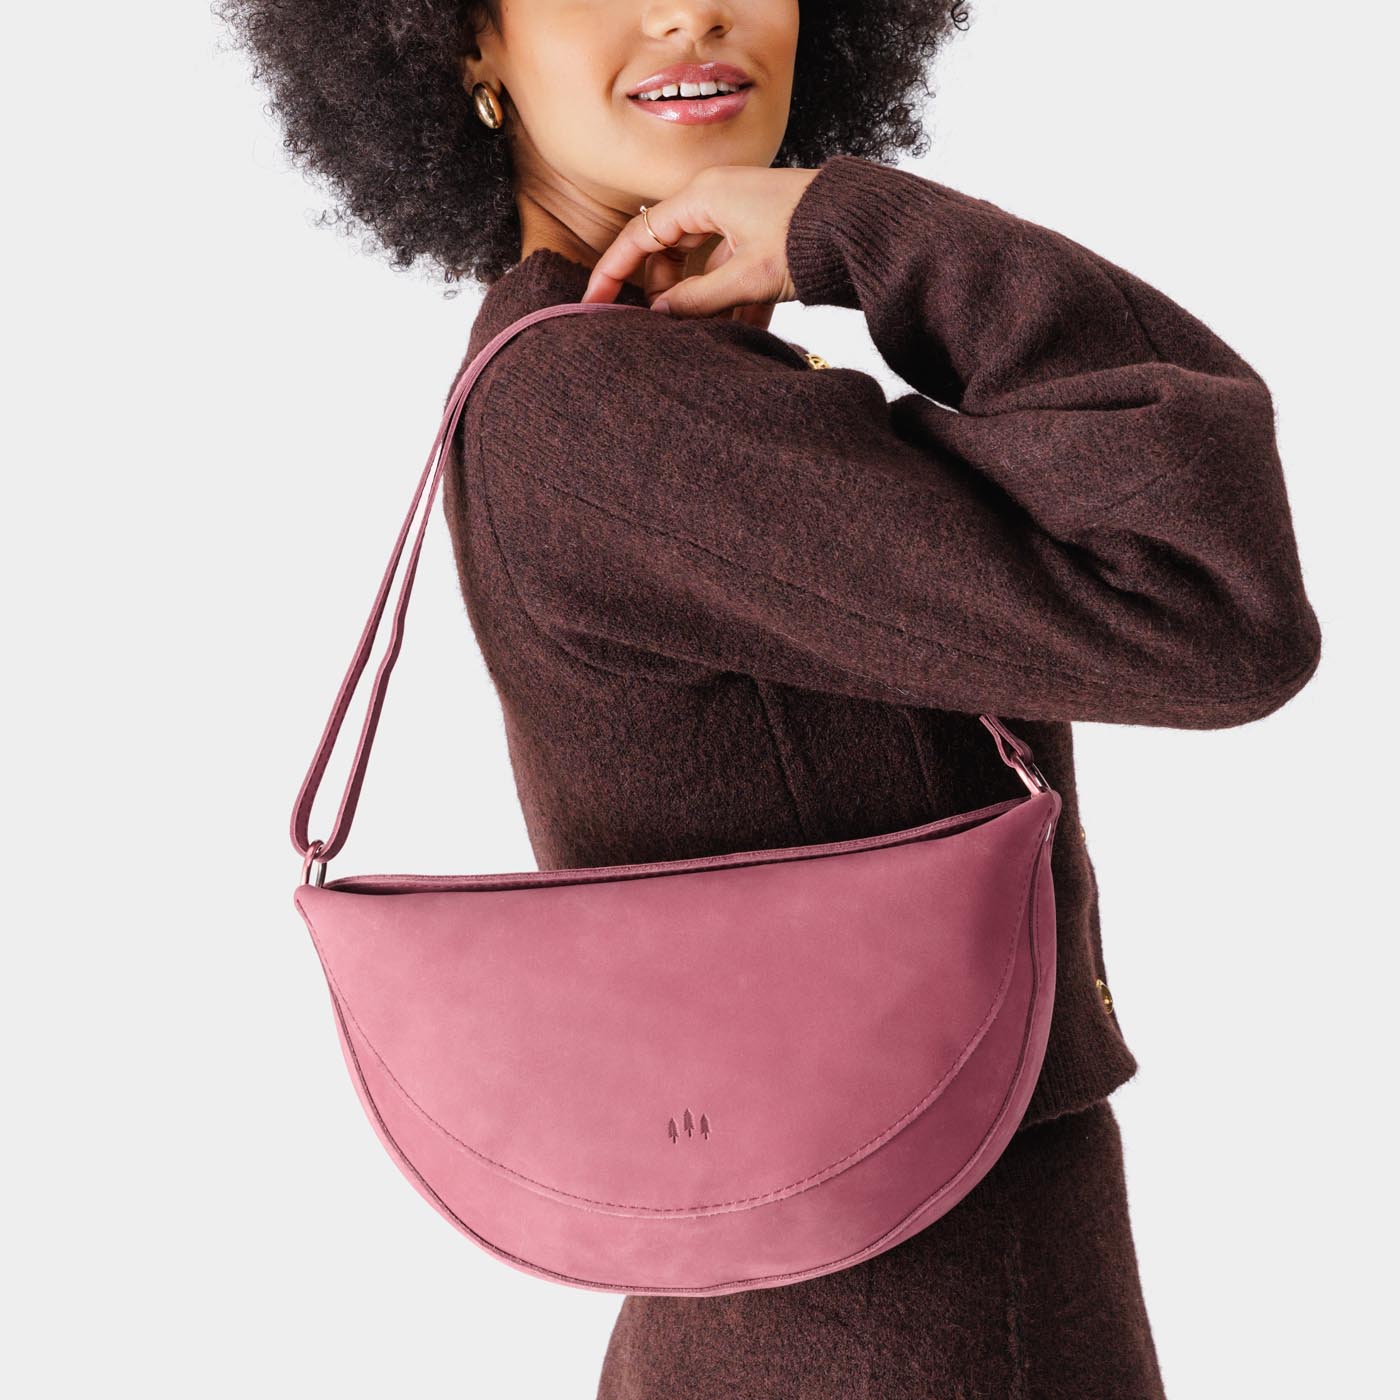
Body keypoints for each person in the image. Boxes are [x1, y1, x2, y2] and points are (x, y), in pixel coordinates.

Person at [222, 2, 1322, 1394]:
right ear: (467, 42)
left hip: (813, 1298)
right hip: (913, 1322)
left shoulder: (621, 374)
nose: (689, 8)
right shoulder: (607, 410)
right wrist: (854, 227)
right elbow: (1209, 604)